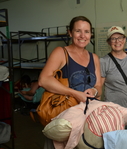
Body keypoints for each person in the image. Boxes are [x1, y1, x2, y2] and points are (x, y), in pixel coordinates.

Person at [38, 16, 101, 148]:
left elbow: (98, 86)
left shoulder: (94, 57)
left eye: (87, 31)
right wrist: (75, 94)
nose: (82, 35)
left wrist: (94, 90)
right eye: (78, 31)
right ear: (70, 32)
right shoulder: (61, 52)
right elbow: (44, 80)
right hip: (64, 119)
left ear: (91, 34)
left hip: (88, 118)